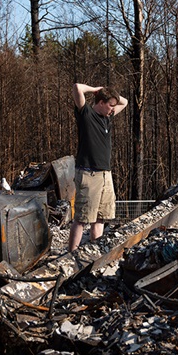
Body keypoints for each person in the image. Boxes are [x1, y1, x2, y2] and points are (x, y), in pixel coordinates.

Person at [69, 83, 128, 252]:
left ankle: (95, 251)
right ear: (100, 102)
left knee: (101, 218)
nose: (112, 110)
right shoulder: (85, 114)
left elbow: (125, 102)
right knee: (82, 219)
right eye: (110, 105)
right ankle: (71, 255)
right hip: (89, 174)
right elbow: (77, 88)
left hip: (105, 175)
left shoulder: (107, 118)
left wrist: (112, 95)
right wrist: (96, 90)